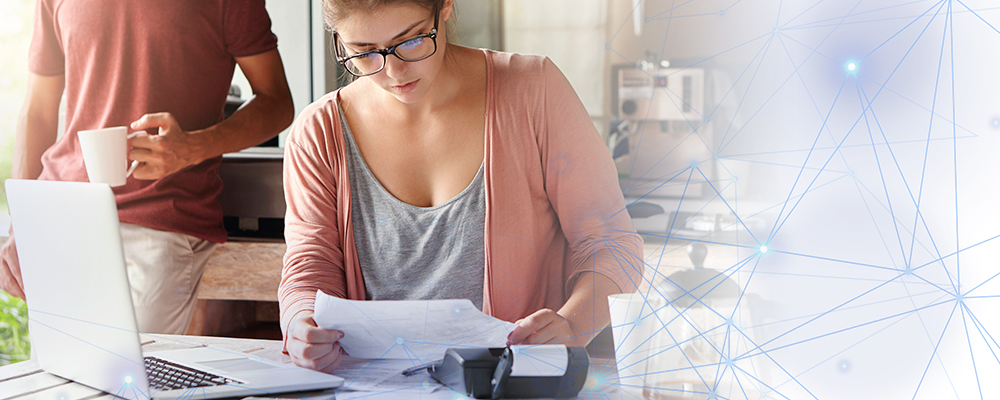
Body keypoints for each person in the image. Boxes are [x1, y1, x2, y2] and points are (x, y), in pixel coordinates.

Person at [279, 0, 644, 373]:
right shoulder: (318, 133)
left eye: (411, 41)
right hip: (371, 386)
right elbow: (311, 264)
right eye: (364, 52)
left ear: (445, 8)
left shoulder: (534, 90)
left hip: (513, 387)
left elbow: (612, 245)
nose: (393, 70)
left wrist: (572, 325)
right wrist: (300, 323)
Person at [0, 0, 295, 334]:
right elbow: (38, 109)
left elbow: (277, 101)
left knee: (127, 382)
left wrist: (194, 147)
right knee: (61, 380)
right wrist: (20, 223)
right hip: (63, 215)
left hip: (159, 223)